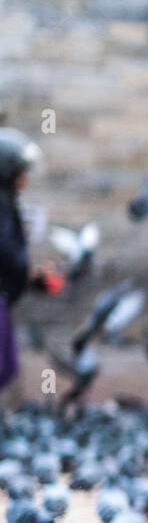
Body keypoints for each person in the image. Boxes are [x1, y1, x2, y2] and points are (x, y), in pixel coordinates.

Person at [0, 128, 40, 395]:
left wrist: (29, 276)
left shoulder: (8, 203)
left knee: (7, 366)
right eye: (21, 172)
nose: (25, 179)